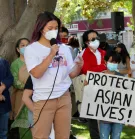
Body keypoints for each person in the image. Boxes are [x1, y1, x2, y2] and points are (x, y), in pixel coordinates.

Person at [24, 11, 83, 139]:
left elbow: (71, 74)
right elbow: (36, 73)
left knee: (63, 136)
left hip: (64, 97)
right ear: (40, 28)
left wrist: (78, 66)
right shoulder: (31, 49)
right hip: (44, 99)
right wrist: (51, 54)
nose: (54, 31)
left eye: (56, 28)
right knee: (41, 136)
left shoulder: (64, 48)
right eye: (50, 28)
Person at [80, 29, 107, 139]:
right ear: (87, 42)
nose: (96, 40)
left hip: (104, 87)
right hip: (90, 88)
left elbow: (109, 66)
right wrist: (102, 67)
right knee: (92, 116)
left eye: (97, 38)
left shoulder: (103, 52)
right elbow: (87, 70)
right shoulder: (83, 54)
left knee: (104, 115)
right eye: (93, 39)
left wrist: (101, 68)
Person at [10, 38, 30, 120]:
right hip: (20, 96)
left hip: (35, 96)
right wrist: (28, 88)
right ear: (18, 49)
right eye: (23, 45)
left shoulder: (35, 62)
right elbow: (14, 81)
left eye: (28, 45)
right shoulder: (15, 64)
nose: (26, 47)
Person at [0, 57, 13, 139]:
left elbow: (10, 78)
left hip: (3, 103)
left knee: (3, 132)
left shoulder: (3, 62)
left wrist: (2, 87)